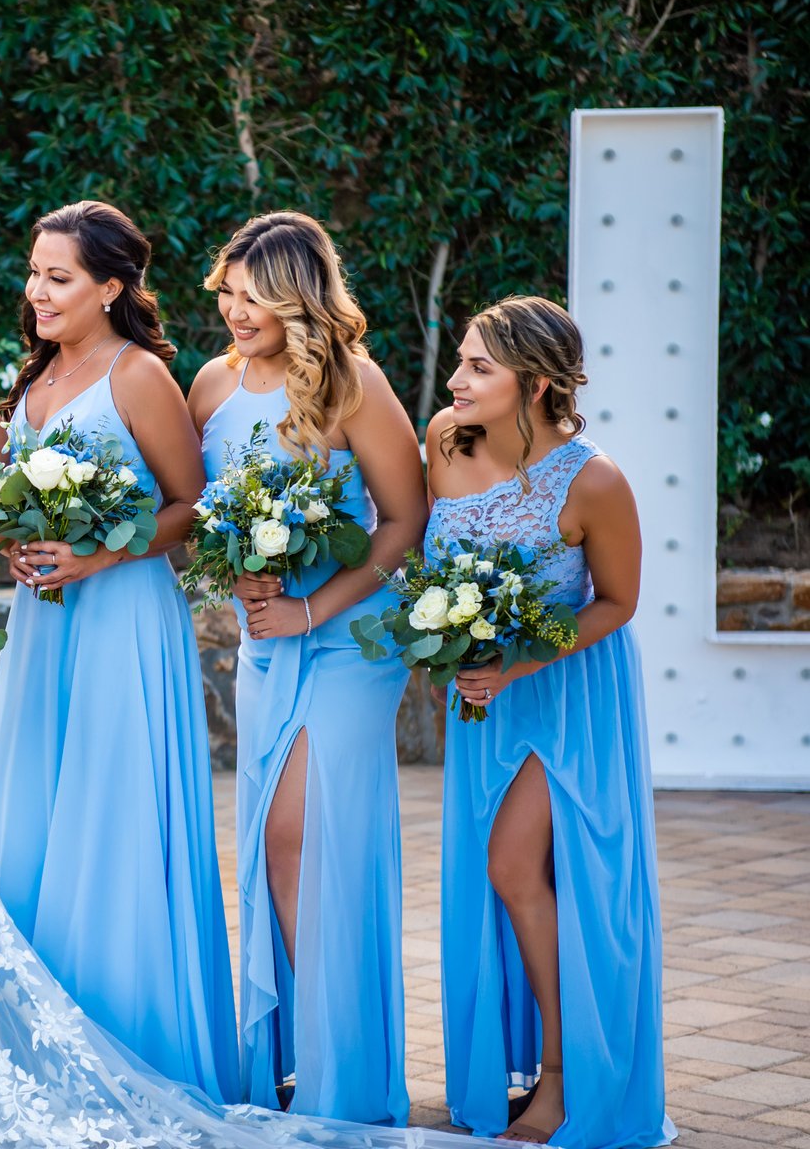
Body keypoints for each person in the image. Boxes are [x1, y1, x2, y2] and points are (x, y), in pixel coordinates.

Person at [0, 200, 239, 1101]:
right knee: (32, 818)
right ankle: (31, 1046)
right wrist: (20, 544)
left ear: (112, 288)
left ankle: (129, 1045)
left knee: (109, 814)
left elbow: (193, 506)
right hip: (45, 625)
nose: (37, 292)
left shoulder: (139, 374)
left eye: (59, 278)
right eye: (34, 273)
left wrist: (100, 554)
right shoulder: (35, 375)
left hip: (121, 620)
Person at [189, 211, 425, 1122]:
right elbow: (197, 511)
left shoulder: (353, 385)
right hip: (265, 645)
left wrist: (311, 607)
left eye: (257, 298)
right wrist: (233, 572)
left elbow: (403, 521)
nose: (237, 312)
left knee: (303, 840)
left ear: (301, 299)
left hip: (350, 641)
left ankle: (342, 1074)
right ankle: (301, 1059)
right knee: (274, 847)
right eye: (230, 294)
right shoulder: (212, 383)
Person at [427, 295, 673, 1147]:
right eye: (461, 362)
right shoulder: (445, 442)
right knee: (505, 874)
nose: (455, 381)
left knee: (513, 865)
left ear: (534, 384)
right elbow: (430, 568)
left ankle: (567, 1081)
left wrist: (521, 661)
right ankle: (522, 1063)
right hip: (481, 698)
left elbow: (618, 602)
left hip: (568, 696)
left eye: (478, 367)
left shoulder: (594, 480)